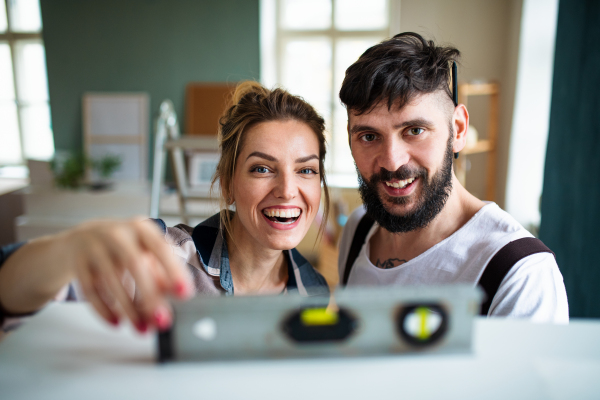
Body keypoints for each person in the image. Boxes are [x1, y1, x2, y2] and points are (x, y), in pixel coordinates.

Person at [0, 81, 330, 332]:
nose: (288, 190)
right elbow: (10, 294)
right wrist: (70, 250)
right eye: (262, 168)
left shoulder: (313, 292)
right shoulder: (159, 254)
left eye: (306, 170)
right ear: (228, 184)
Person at [336, 32, 568, 323]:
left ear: (457, 130)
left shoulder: (521, 274)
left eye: (415, 131)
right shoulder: (359, 228)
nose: (392, 161)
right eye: (369, 136)